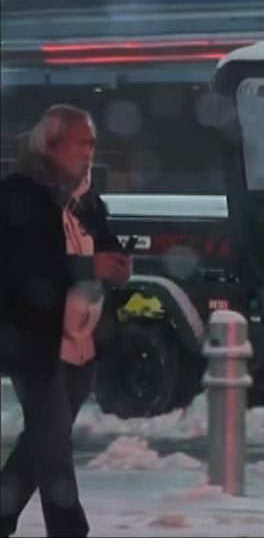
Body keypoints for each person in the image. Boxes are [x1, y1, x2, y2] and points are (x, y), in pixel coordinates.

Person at [0, 104, 131, 537]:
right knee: (54, 446)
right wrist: (92, 267)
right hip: (31, 340)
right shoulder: (18, 195)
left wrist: (115, 260)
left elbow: (104, 240)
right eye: (82, 143)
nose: (90, 152)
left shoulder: (87, 198)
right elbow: (27, 266)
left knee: (42, 441)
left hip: (80, 339)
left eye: (93, 143)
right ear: (52, 145)